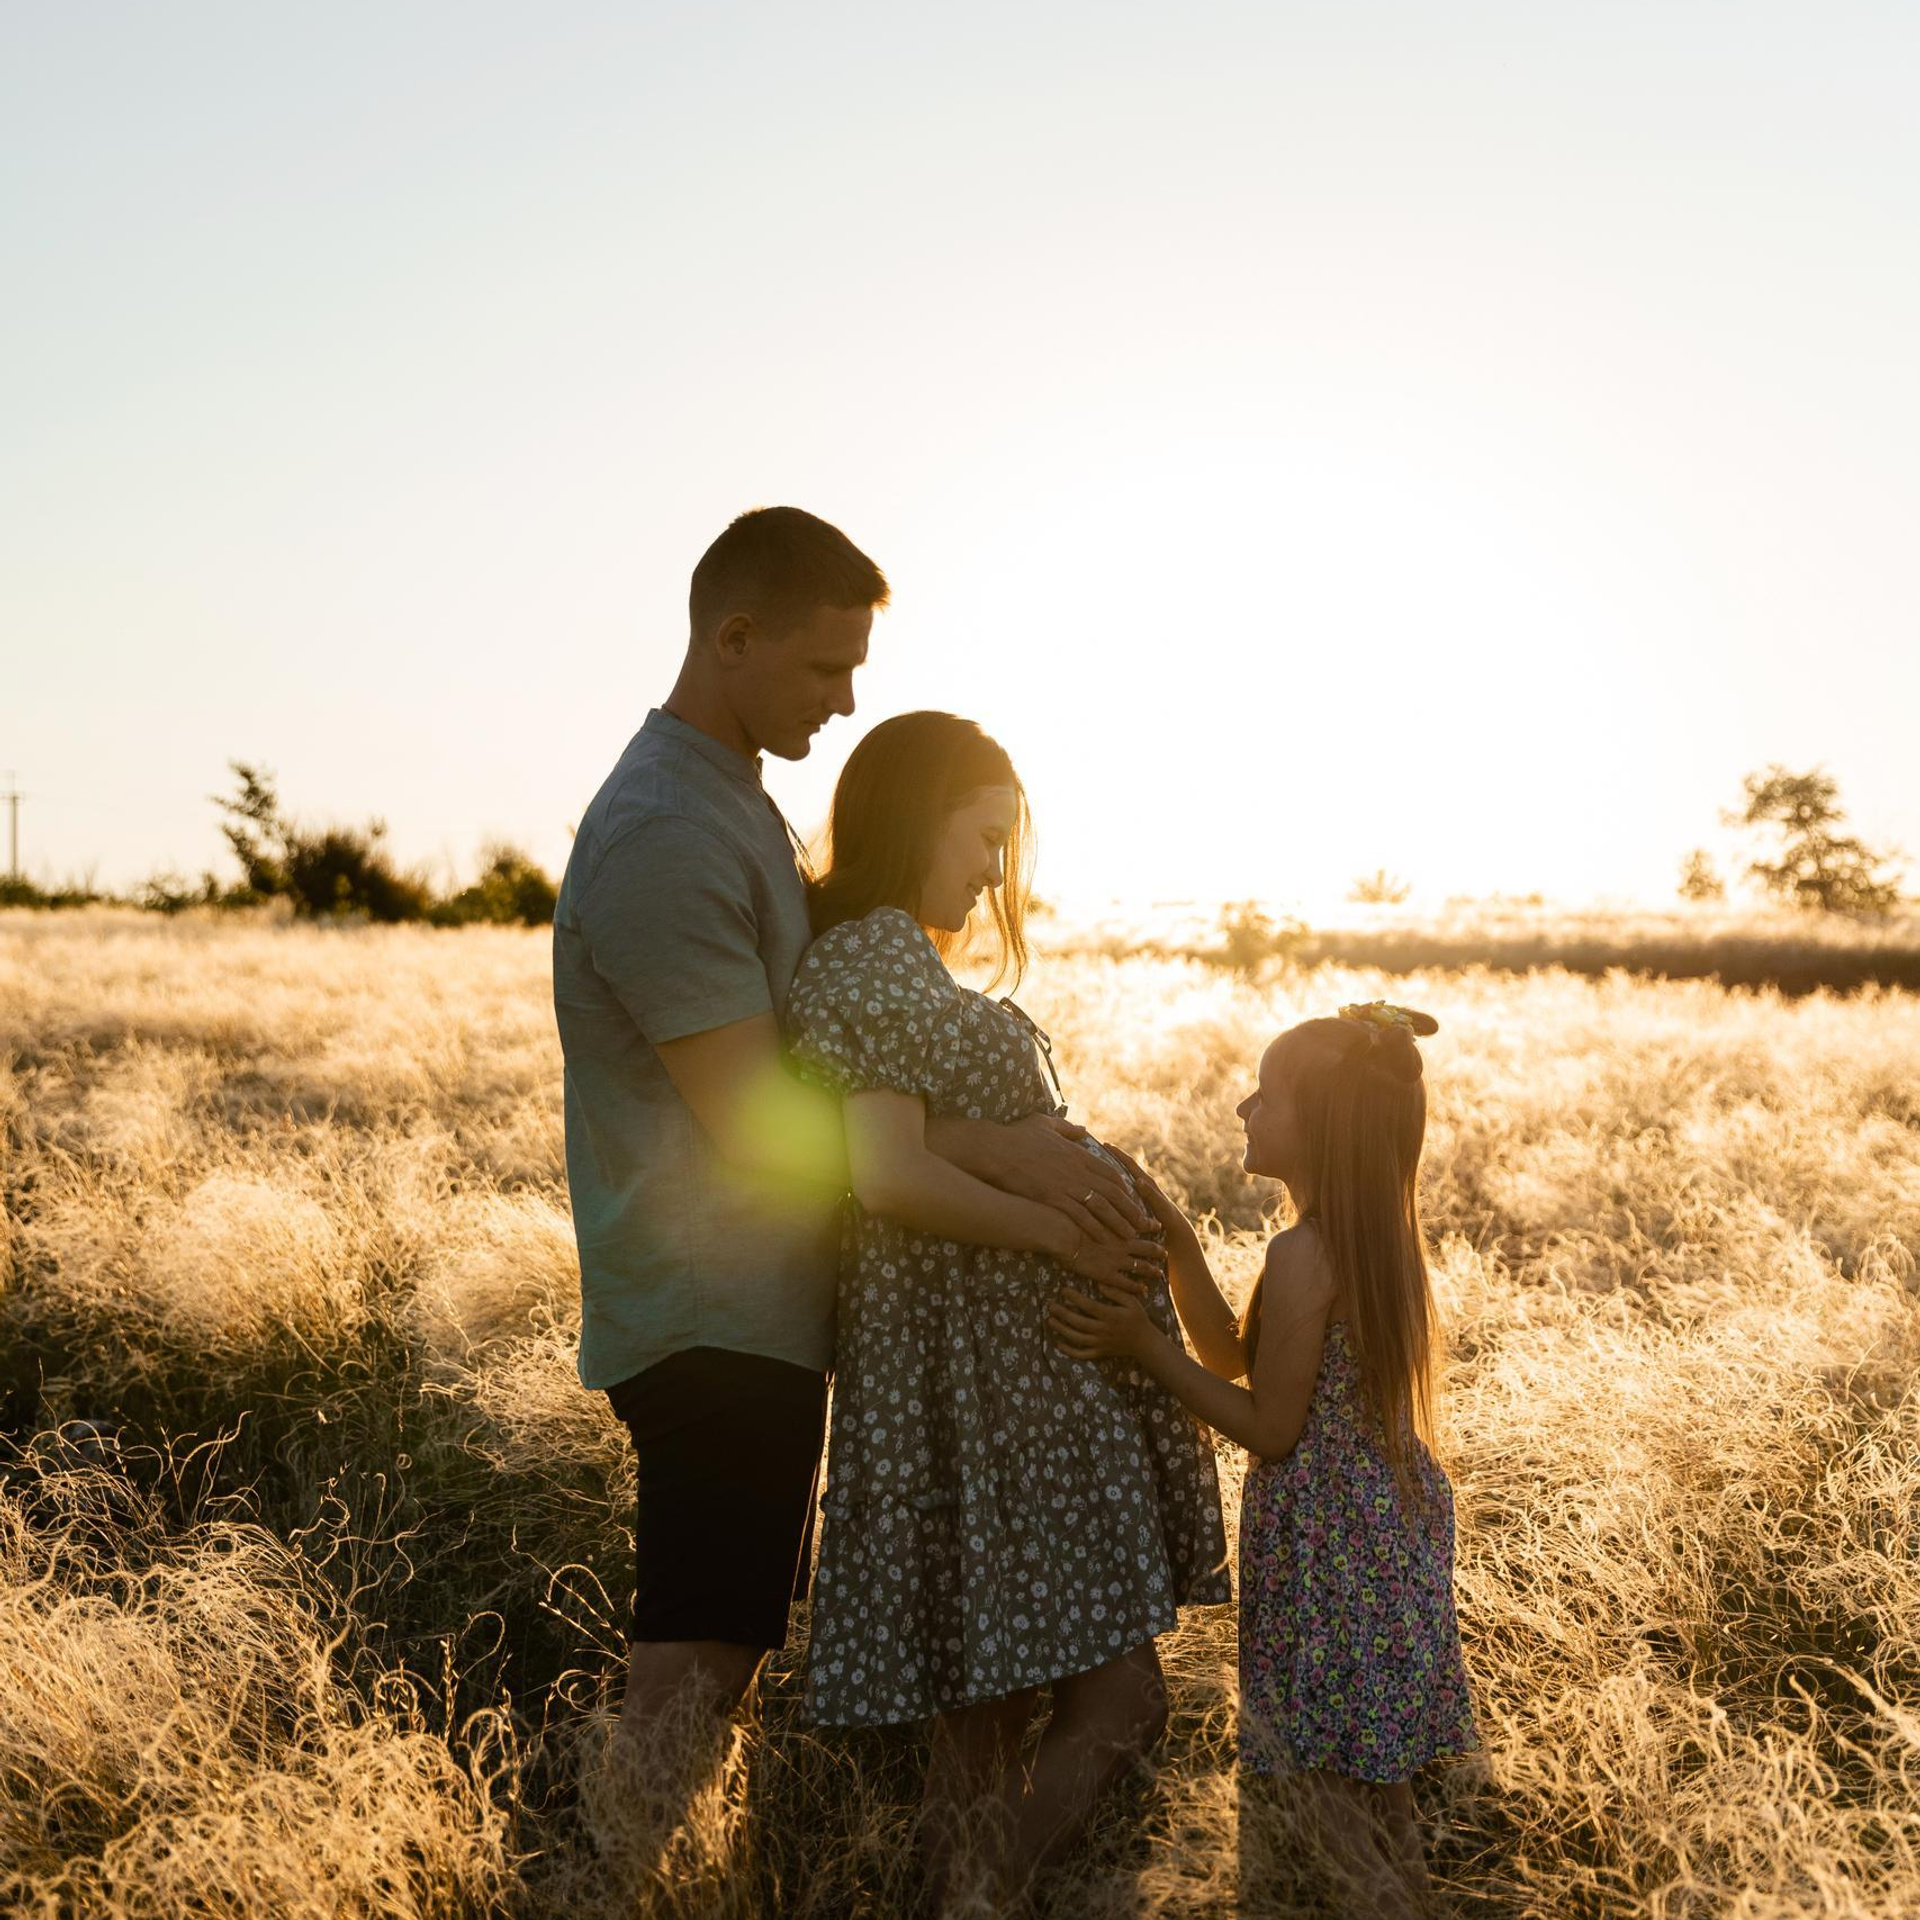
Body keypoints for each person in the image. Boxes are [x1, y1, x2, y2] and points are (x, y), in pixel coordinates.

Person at [550, 510, 1154, 1829]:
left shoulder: (732, 806)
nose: (848, 699)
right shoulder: (668, 832)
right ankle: (608, 1889)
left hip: (761, 1314)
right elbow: (754, 1119)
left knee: (722, 1656)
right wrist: (992, 1146)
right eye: (826, 670)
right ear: (732, 635)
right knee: (697, 1667)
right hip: (710, 1316)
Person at [784, 710, 1230, 1908]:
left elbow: (929, 1144)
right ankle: (981, 1893)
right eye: (984, 837)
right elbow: (887, 1174)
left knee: (991, 1705)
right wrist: (1066, 1232)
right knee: (1121, 1696)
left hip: (1006, 1367)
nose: (996, 870)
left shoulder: (896, 959)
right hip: (992, 1379)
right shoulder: (875, 955)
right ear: (911, 815)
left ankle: (957, 1895)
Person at [1050, 1002, 1478, 1918]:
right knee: (1374, 1787)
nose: (1245, 1108)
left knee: (1326, 1797)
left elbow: (1271, 1426)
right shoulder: (1363, 1242)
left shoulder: (1304, 1252)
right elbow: (1236, 1360)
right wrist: (1175, 1237)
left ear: (1319, 1125)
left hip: (1332, 1551)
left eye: (1267, 1094)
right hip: (1378, 1537)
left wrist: (1137, 1344)